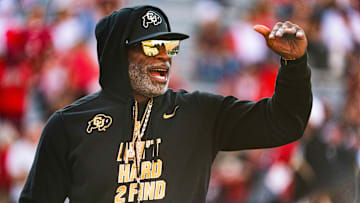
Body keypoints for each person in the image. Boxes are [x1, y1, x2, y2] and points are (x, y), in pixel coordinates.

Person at [19, 5, 312, 203]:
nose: (164, 56)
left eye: (170, 46)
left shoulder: (200, 113)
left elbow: (284, 123)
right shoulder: (69, 125)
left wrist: (294, 64)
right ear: (118, 55)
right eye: (151, 46)